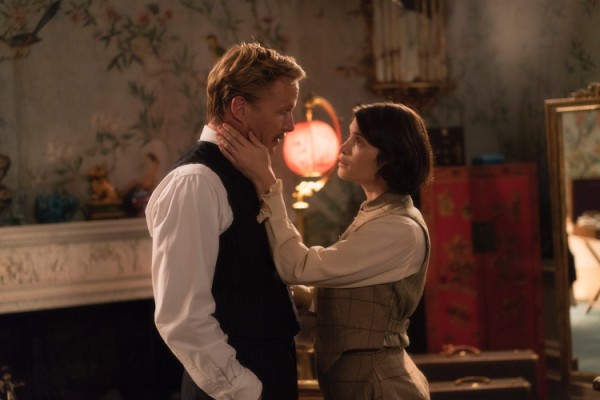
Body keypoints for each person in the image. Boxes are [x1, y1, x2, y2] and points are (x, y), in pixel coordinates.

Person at [217, 101, 433, 400]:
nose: (343, 148)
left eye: (358, 141)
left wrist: (266, 182)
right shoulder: (377, 214)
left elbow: (298, 267)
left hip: (379, 386)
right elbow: (348, 302)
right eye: (349, 136)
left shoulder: (398, 228)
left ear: (389, 156)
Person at [145, 42, 306, 400]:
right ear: (239, 108)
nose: (291, 125)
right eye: (283, 111)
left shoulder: (253, 173)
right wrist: (245, 389)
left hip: (269, 372)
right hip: (236, 386)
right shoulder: (195, 182)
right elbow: (182, 317)